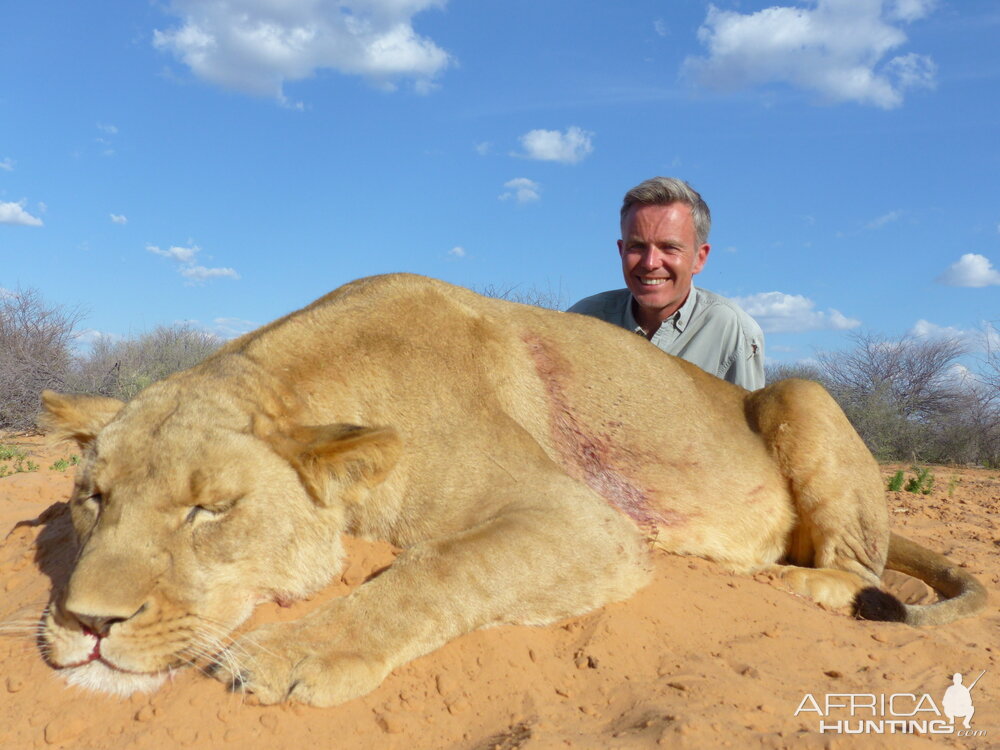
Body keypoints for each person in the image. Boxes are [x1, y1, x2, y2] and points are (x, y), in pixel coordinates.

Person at [568, 177, 765, 390]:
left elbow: (744, 422)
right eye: (637, 247)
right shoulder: (582, 320)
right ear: (620, 251)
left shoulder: (735, 332)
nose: (650, 263)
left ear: (700, 258)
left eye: (669, 247)